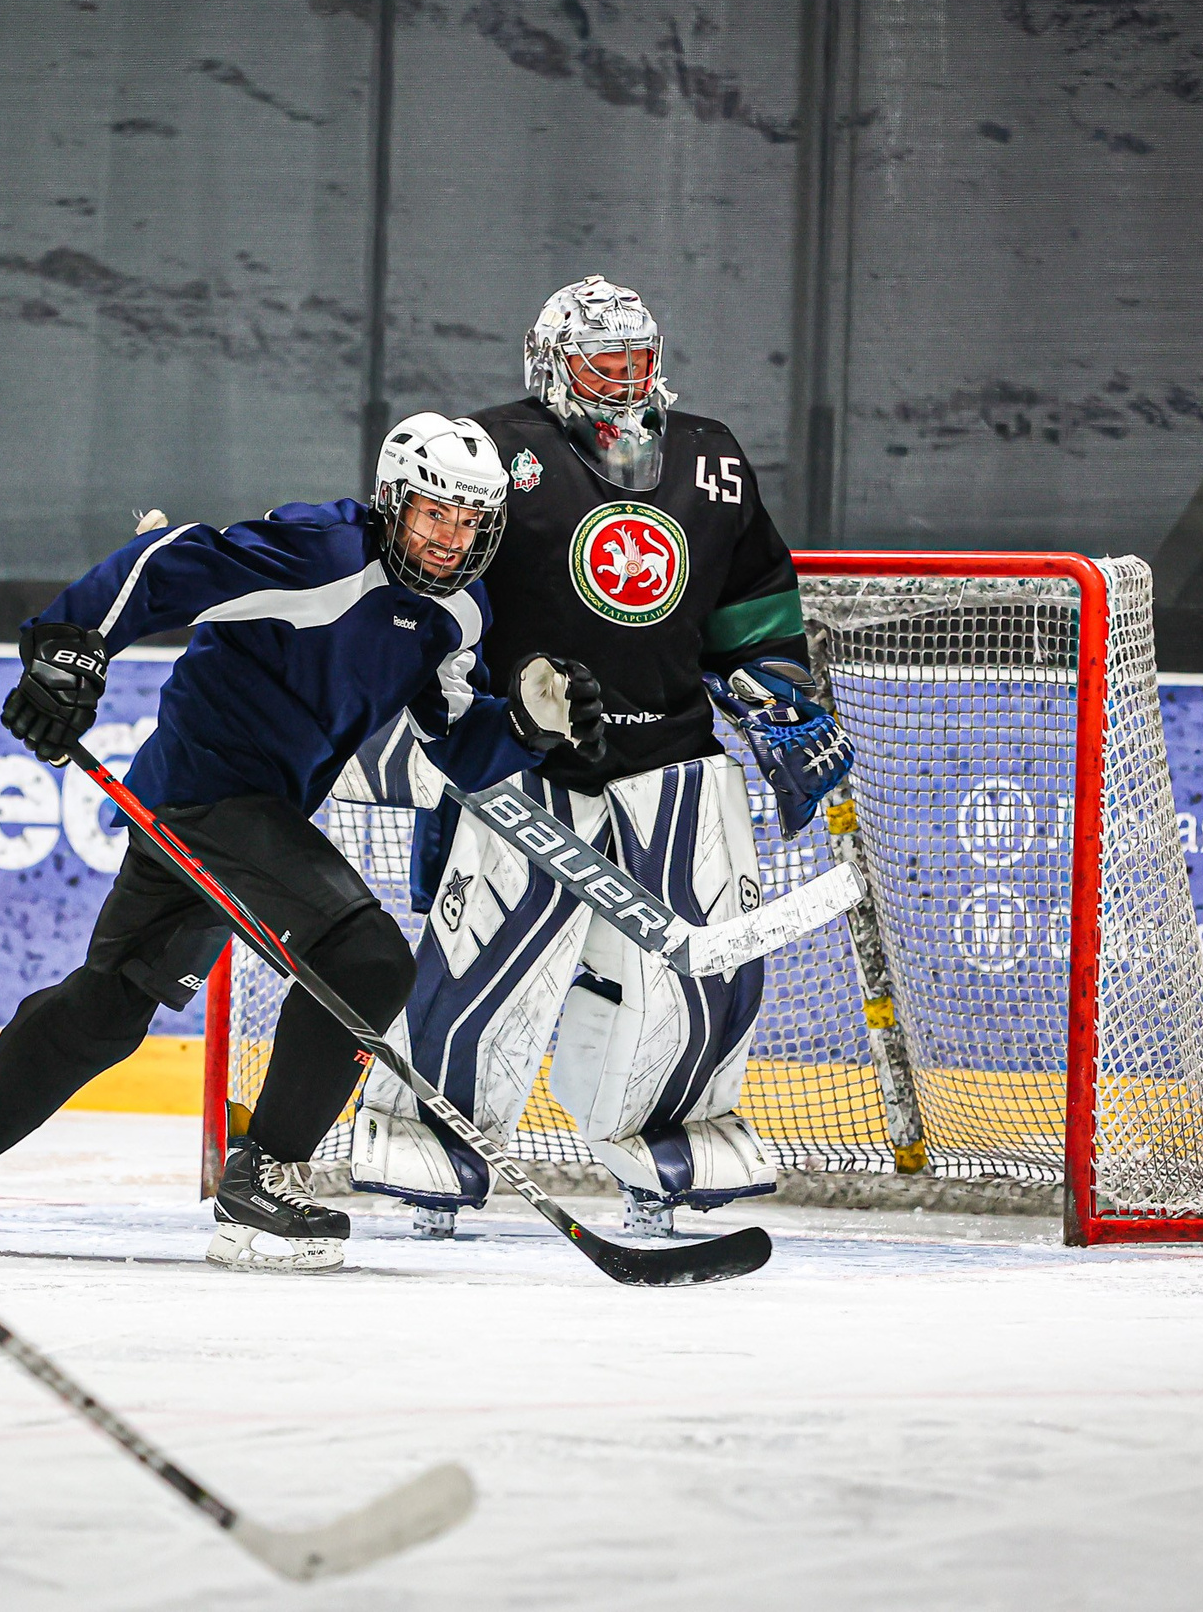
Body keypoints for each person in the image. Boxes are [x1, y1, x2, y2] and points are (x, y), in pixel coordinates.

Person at [0, 413, 604, 1273]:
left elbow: (454, 739)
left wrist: (530, 726)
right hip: (207, 795)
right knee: (366, 959)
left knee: (108, 1007)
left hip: (230, 811)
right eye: (434, 514)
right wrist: (69, 651)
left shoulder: (461, 612)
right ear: (393, 502)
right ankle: (265, 1179)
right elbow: (165, 561)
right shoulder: (322, 551)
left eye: (471, 523)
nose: (450, 539)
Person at [349, 276, 853, 1238]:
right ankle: (433, 1136)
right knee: (488, 960)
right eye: (602, 362)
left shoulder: (711, 456)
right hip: (530, 758)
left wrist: (772, 685)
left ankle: (666, 1141)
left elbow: (753, 594)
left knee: (706, 971)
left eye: (638, 359)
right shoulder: (494, 447)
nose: (625, 379)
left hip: (673, 753)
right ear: (551, 364)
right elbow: (432, 573)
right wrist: (440, 702)